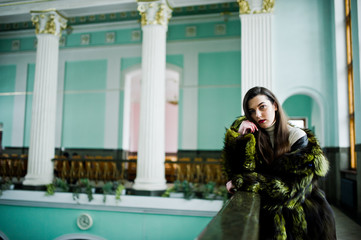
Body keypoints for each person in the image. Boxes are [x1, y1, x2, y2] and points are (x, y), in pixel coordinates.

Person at [222, 86, 336, 240]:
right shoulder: (252, 135)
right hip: (267, 214)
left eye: (262, 107)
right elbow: (235, 171)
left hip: (302, 214)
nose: (258, 115)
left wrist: (244, 182)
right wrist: (241, 139)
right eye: (252, 111)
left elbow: (290, 188)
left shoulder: (296, 136)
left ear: (274, 106)